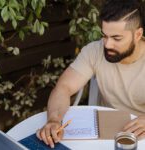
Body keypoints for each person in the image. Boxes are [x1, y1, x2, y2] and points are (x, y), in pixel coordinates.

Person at [37, 0, 145, 148]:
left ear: (138, 34)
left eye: (116, 38)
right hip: (103, 131)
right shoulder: (94, 51)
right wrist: (54, 120)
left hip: (140, 134)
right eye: (104, 35)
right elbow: (64, 87)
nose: (107, 45)